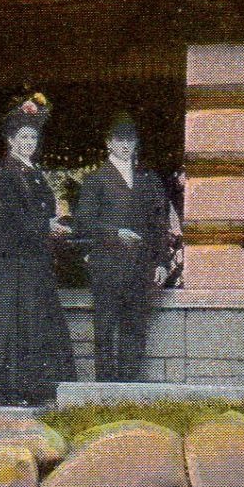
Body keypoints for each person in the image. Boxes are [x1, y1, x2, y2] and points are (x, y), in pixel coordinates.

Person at [0, 94, 77, 407]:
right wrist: (44, 226)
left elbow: (40, 214)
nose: (29, 142)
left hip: (35, 262)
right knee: (15, 324)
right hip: (14, 263)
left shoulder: (33, 172)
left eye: (33, 137)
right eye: (23, 137)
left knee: (36, 321)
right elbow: (7, 220)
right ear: (11, 140)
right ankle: (14, 390)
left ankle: (36, 388)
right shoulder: (4, 174)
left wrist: (55, 224)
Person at [74, 112, 169, 383]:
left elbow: (158, 224)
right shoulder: (96, 180)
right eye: (119, 140)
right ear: (108, 143)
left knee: (135, 328)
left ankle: (129, 388)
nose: (125, 145)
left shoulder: (148, 179)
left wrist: (161, 261)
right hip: (107, 266)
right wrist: (115, 234)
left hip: (140, 267)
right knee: (105, 328)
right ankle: (105, 389)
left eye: (130, 139)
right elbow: (83, 223)